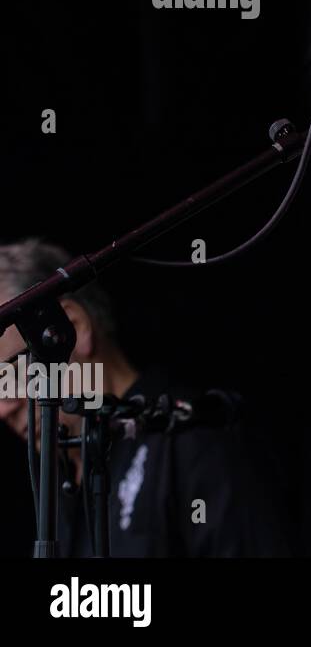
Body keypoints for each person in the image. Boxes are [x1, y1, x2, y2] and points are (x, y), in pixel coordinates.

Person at [0, 238, 290, 556]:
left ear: (72, 328)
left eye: (10, 373)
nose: (4, 408)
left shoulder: (192, 435)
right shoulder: (61, 485)